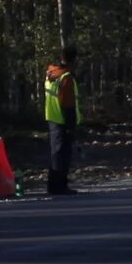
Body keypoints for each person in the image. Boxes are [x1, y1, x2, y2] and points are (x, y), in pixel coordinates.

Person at [42, 51, 81, 195]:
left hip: (52, 118)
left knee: (56, 154)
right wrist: (71, 126)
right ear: (73, 61)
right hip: (63, 120)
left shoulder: (51, 74)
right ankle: (60, 186)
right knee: (63, 155)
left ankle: (53, 186)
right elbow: (68, 105)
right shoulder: (66, 78)